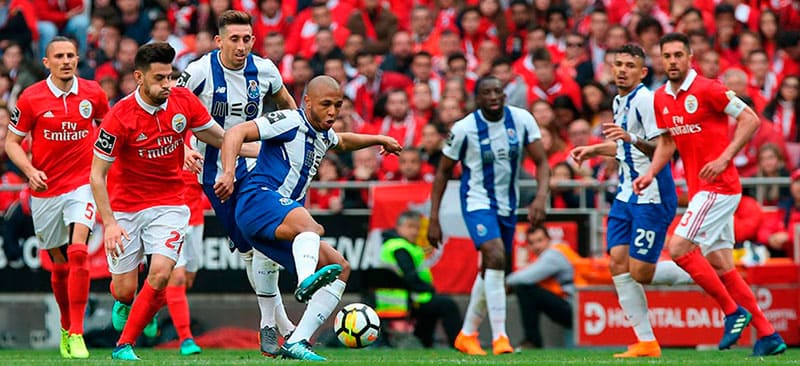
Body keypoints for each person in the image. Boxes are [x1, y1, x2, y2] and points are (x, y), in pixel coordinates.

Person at [90, 42, 257, 361]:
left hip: (169, 203)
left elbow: (220, 138)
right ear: (139, 77)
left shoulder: (182, 100)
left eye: (170, 77)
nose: (168, 85)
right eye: (160, 79)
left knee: (164, 273)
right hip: (126, 207)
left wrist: (260, 152)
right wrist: (109, 223)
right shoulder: (119, 117)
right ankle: (130, 303)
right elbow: (97, 176)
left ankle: (124, 344)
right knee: (124, 289)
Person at [216, 75, 402, 360]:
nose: (332, 111)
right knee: (310, 226)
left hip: (277, 219)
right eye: (326, 104)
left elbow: (342, 142)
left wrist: (379, 138)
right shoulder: (290, 120)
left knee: (341, 267)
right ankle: (306, 281)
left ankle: (297, 341)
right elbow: (234, 133)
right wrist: (229, 173)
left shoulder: (324, 134)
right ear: (307, 102)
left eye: (337, 105)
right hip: (257, 200)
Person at [632, 33, 787, 357]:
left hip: (720, 187)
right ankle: (769, 334)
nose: (672, 61)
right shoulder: (661, 97)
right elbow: (668, 143)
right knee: (721, 266)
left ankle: (732, 312)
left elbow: (750, 118)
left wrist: (725, 156)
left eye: (678, 55)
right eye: (667, 56)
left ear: (690, 57)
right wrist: (649, 173)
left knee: (679, 248)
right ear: (660, 59)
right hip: (701, 189)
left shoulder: (709, 88)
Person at [174, 10, 298, 357]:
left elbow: (287, 106)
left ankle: (271, 326)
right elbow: (171, 109)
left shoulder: (266, 70)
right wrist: (184, 148)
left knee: (260, 243)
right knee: (247, 249)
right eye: (234, 39)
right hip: (213, 173)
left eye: (247, 39)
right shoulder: (198, 71)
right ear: (219, 41)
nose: (241, 46)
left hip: (255, 166)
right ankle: (282, 323)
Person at [570, 44, 691, 358]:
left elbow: (665, 149)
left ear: (643, 72)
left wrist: (631, 138)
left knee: (641, 272)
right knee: (617, 263)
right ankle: (646, 341)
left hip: (652, 191)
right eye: (618, 64)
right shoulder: (618, 99)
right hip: (627, 192)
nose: (622, 69)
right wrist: (594, 150)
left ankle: (698, 271)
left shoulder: (646, 100)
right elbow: (625, 149)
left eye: (629, 65)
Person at [427, 76, 550, 356]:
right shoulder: (464, 129)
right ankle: (500, 338)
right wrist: (434, 218)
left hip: (508, 205)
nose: (494, 96)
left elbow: (542, 161)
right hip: (477, 202)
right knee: (495, 256)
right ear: (477, 99)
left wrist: (541, 197)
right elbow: (443, 172)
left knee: (492, 269)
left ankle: (467, 334)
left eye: (498, 91)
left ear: (505, 95)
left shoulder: (522, 120)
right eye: (487, 92)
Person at [5, 37, 109, 359]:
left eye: (71, 56)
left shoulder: (93, 93)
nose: (66, 61)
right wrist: (29, 170)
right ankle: (66, 326)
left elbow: (110, 127)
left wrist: (105, 168)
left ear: (78, 60)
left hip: (83, 184)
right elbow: (11, 142)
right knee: (59, 265)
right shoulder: (32, 97)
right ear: (47, 62)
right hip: (45, 189)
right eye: (59, 56)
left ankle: (77, 334)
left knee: (78, 251)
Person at [377, 210, 461, 348]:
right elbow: (410, 277)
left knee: (435, 305)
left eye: (417, 228)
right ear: (398, 227)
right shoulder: (400, 247)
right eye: (410, 226)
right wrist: (429, 288)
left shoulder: (392, 245)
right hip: (405, 300)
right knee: (447, 305)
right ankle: (458, 343)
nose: (414, 232)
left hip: (394, 300)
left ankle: (424, 341)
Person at [506, 224, 576, 350]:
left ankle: (532, 340)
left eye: (540, 240)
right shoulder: (557, 251)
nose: (537, 246)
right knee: (528, 289)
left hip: (575, 308)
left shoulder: (553, 255)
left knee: (525, 289)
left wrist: (503, 283)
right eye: (532, 243)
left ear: (549, 239)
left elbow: (525, 277)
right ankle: (532, 340)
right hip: (572, 304)